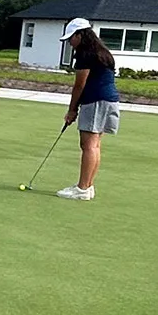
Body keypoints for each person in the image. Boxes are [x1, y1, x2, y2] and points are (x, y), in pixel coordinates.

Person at [59, 18, 119, 201]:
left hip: (95, 101)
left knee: (88, 145)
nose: (69, 42)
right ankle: (88, 186)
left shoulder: (85, 54)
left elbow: (79, 85)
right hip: (110, 100)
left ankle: (82, 188)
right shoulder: (103, 52)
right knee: (95, 145)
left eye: (71, 38)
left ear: (80, 35)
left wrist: (72, 110)